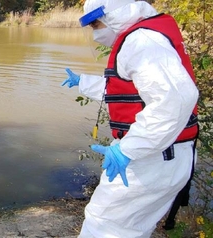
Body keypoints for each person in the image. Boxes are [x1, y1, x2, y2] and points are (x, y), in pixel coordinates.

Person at [61, 0, 199, 237]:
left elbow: (175, 100)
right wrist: (83, 82)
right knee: (131, 228)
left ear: (114, 16)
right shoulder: (143, 36)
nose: (96, 33)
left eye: (96, 25)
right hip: (162, 152)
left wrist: (129, 149)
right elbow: (126, 91)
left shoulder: (141, 41)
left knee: (104, 226)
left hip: (152, 156)